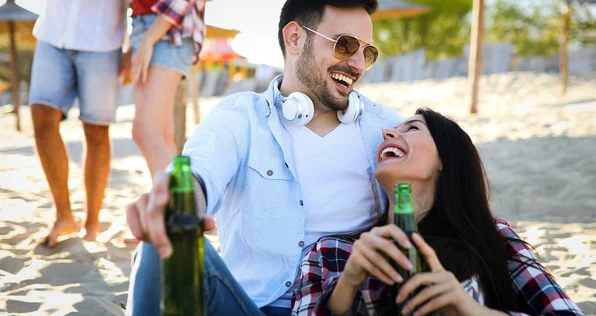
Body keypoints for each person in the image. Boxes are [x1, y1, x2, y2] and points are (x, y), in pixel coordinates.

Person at [125, 0, 403, 314]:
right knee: (160, 245)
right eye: (345, 45)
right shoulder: (240, 115)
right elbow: (201, 172)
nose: (357, 64)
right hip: (249, 306)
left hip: (342, 308)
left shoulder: (388, 130)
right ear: (295, 38)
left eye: (367, 53)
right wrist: (176, 201)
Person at [291, 109, 584, 316]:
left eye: (413, 128)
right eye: (395, 129)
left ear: (446, 158)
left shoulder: (493, 238)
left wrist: (468, 308)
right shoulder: (333, 251)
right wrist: (348, 284)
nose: (388, 132)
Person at [29, 0, 128, 247]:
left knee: (96, 129)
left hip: (102, 40)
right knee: (41, 116)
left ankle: (92, 223)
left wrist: (133, 47)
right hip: (53, 33)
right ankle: (64, 217)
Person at [128, 0, 207, 177]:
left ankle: (178, 202)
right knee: (162, 134)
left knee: (145, 131)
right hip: (149, 25)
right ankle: (178, 201)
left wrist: (149, 39)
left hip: (168, 27)